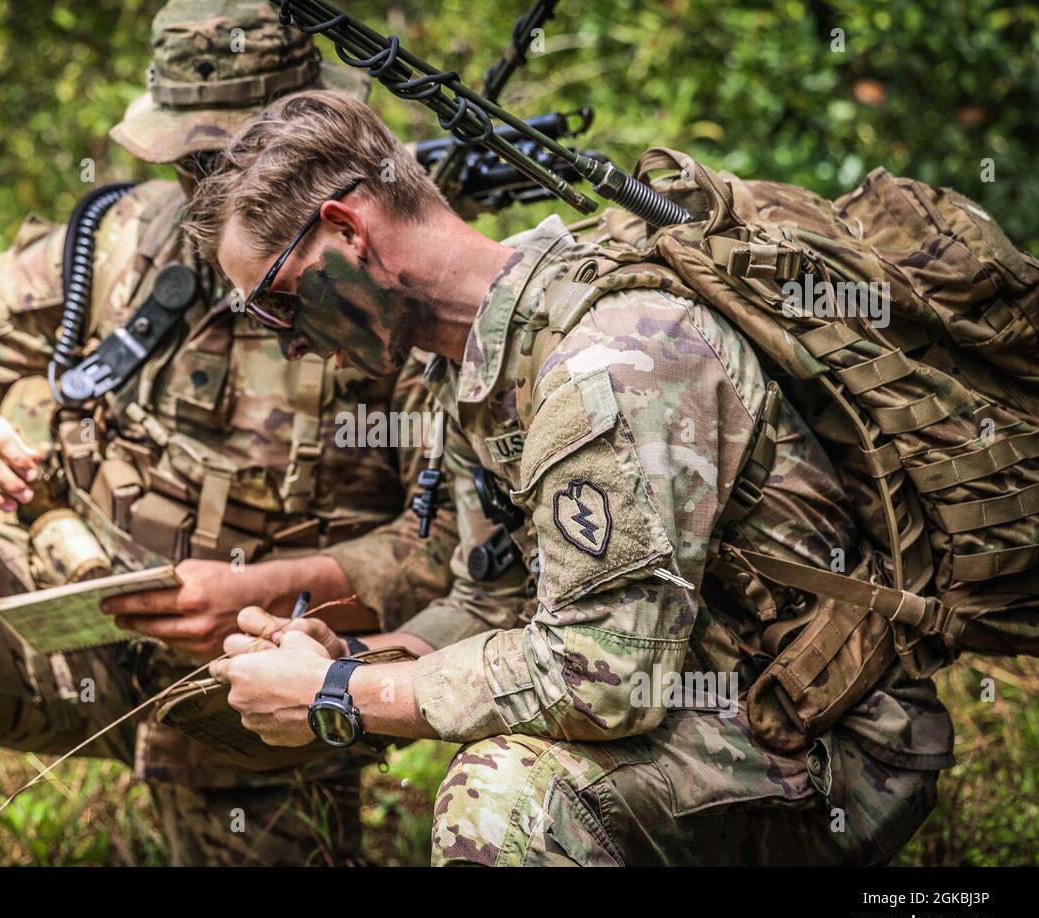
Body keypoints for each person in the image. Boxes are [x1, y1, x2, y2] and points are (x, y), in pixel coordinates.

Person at [183, 89, 956, 866]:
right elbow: (488, 600)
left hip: (826, 736)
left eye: (278, 304)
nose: (286, 344)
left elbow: (602, 681)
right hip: (701, 700)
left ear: (346, 230)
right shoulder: (476, 367)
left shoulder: (611, 361)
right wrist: (349, 656)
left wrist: (338, 698)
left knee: (506, 798)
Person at [0, 1, 485, 867]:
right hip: (81, 621)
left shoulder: (381, 292)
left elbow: (452, 556)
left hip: (261, 674)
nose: (212, 184)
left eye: (239, 156)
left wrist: (276, 587)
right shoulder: (120, 239)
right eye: (192, 160)